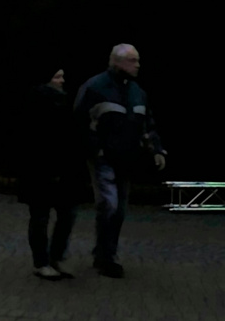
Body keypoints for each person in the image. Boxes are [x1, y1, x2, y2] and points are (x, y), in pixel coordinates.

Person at [75, 44, 166, 278]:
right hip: (103, 157)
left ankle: (106, 254)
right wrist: (94, 150)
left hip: (125, 159)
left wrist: (156, 149)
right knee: (110, 205)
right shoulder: (96, 87)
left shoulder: (137, 92)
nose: (137, 65)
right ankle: (106, 257)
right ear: (117, 62)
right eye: (132, 60)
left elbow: (146, 123)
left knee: (118, 210)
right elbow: (80, 122)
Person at [19, 67, 83, 280]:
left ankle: (55, 257)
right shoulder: (38, 102)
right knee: (41, 216)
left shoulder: (63, 102)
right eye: (57, 76)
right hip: (41, 169)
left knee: (66, 213)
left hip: (62, 169)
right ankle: (42, 261)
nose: (62, 80)